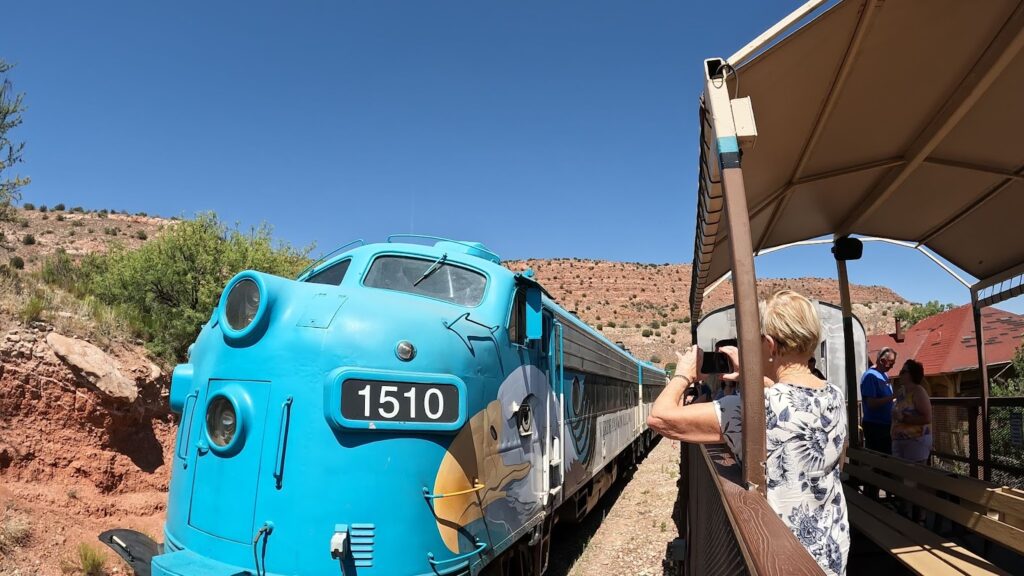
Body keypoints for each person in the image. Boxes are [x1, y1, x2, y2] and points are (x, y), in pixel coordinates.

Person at [647, 290, 848, 575]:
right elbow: (793, 398)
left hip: (777, 558)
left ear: (768, 344)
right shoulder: (835, 396)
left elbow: (659, 418)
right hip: (831, 551)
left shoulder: (751, 409)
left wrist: (684, 374)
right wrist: (750, 375)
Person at [892, 359, 932, 463]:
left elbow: (927, 418)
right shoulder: (901, 392)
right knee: (899, 476)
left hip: (915, 441)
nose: (900, 374)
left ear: (912, 375)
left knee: (914, 475)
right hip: (899, 441)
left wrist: (903, 418)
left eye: (903, 372)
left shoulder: (919, 392)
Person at [861, 348, 897, 454]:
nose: (892, 366)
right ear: (882, 361)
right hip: (875, 426)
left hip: (885, 425)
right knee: (879, 459)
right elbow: (871, 403)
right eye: (891, 363)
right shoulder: (870, 376)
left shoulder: (884, 375)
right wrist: (892, 397)